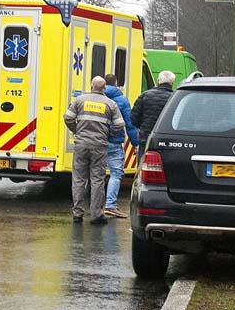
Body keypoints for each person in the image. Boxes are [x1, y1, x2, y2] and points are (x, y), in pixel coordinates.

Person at [64, 76, 125, 225]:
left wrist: (77, 131)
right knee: (97, 180)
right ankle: (96, 215)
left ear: (91, 86)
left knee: (78, 179)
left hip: (81, 144)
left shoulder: (80, 100)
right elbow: (119, 124)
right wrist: (108, 135)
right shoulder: (110, 104)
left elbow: (68, 118)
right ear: (104, 88)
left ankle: (77, 213)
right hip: (99, 145)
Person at [103, 73, 139, 219]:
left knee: (96, 174)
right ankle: (110, 205)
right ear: (116, 83)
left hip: (97, 141)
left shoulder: (97, 98)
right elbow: (130, 125)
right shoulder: (122, 100)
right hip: (115, 142)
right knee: (116, 174)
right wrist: (135, 143)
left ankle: (95, 204)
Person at [131, 70, 176, 157]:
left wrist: (143, 127)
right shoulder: (174, 98)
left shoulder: (145, 96)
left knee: (143, 164)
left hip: (146, 138)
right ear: (172, 83)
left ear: (158, 80)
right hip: (167, 140)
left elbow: (134, 118)